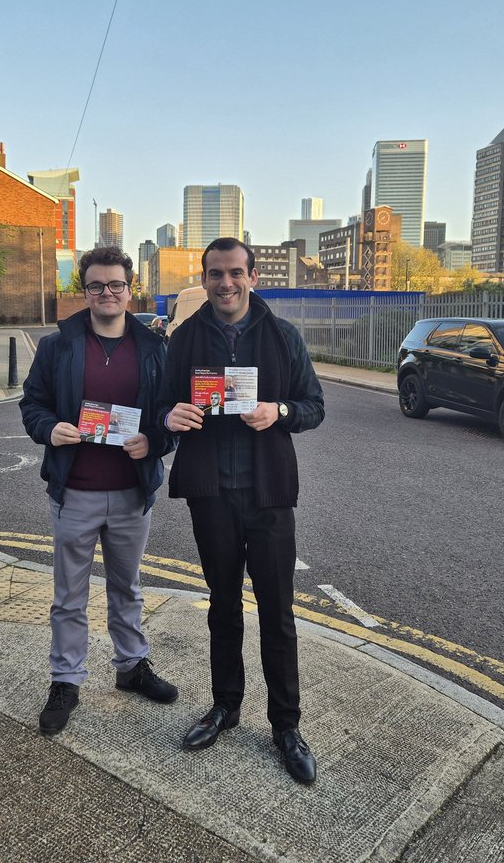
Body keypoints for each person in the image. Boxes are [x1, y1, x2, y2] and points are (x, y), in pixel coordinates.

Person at [163, 236, 325, 784]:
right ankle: (226, 706)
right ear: (204, 279)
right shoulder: (184, 340)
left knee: (277, 613)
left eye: (235, 273)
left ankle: (286, 725)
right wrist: (171, 416)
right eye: (215, 274)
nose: (225, 283)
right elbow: (160, 404)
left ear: (252, 276)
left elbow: (313, 406)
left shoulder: (283, 337)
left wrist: (277, 410)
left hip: (268, 495)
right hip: (212, 494)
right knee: (222, 606)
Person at [20, 246, 179, 735]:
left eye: (116, 285)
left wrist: (154, 440)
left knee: (127, 588)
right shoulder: (58, 345)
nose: (106, 293)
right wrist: (50, 429)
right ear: (84, 290)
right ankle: (66, 679)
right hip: (76, 490)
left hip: (133, 491)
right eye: (96, 286)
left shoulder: (155, 349)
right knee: (69, 595)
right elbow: (33, 405)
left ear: (131, 289)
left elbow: (173, 416)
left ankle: (131, 667)